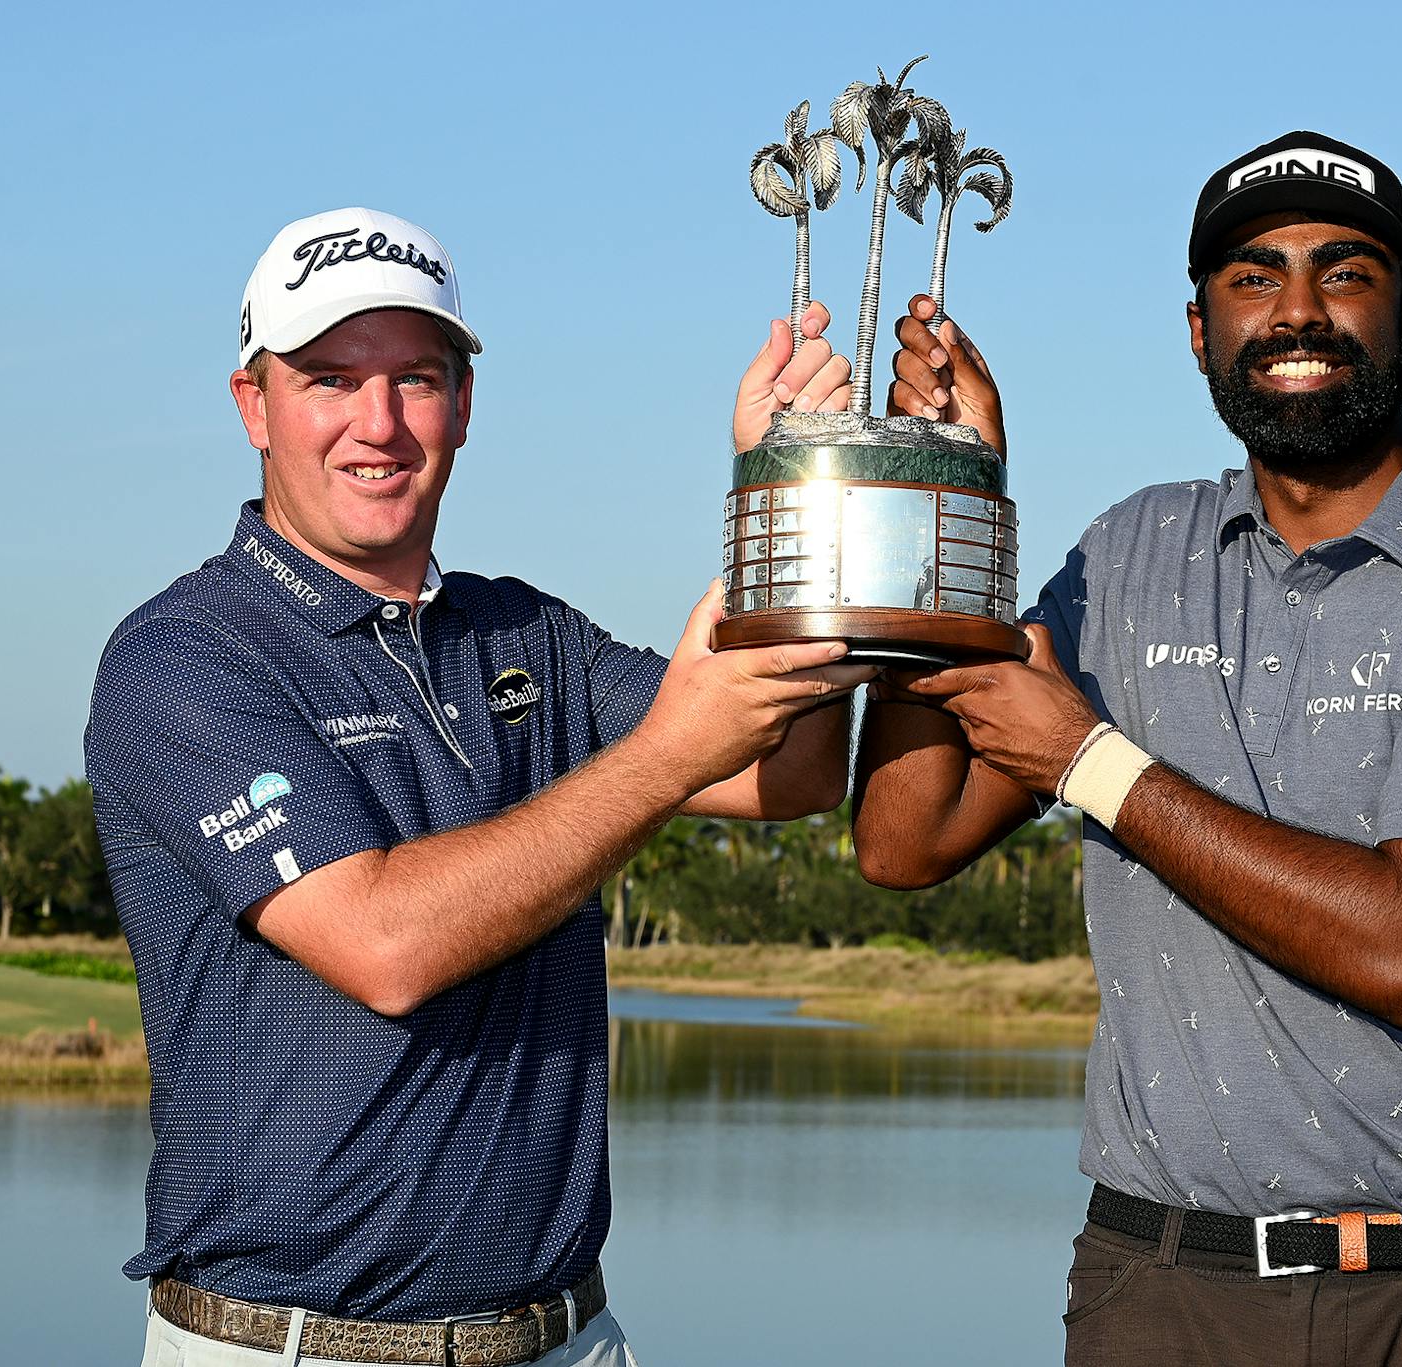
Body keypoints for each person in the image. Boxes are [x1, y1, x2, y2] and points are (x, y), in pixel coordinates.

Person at [853, 133, 1402, 1365]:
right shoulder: (1129, 552)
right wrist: (950, 501)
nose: (1300, 311)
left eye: (1347, 271)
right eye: (1253, 278)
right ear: (1201, 329)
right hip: (1150, 1286)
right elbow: (904, 836)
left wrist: (1093, 763)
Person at [84, 207, 869, 1366]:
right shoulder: (185, 655)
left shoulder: (526, 631)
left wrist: (788, 489)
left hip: (565, 1334)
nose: (380, 422)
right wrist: (659, 759)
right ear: (253, 405)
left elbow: (790, 769)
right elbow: (385, 943)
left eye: (418, 377)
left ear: (464, 401)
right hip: (288, 1345)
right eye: (329, 379)